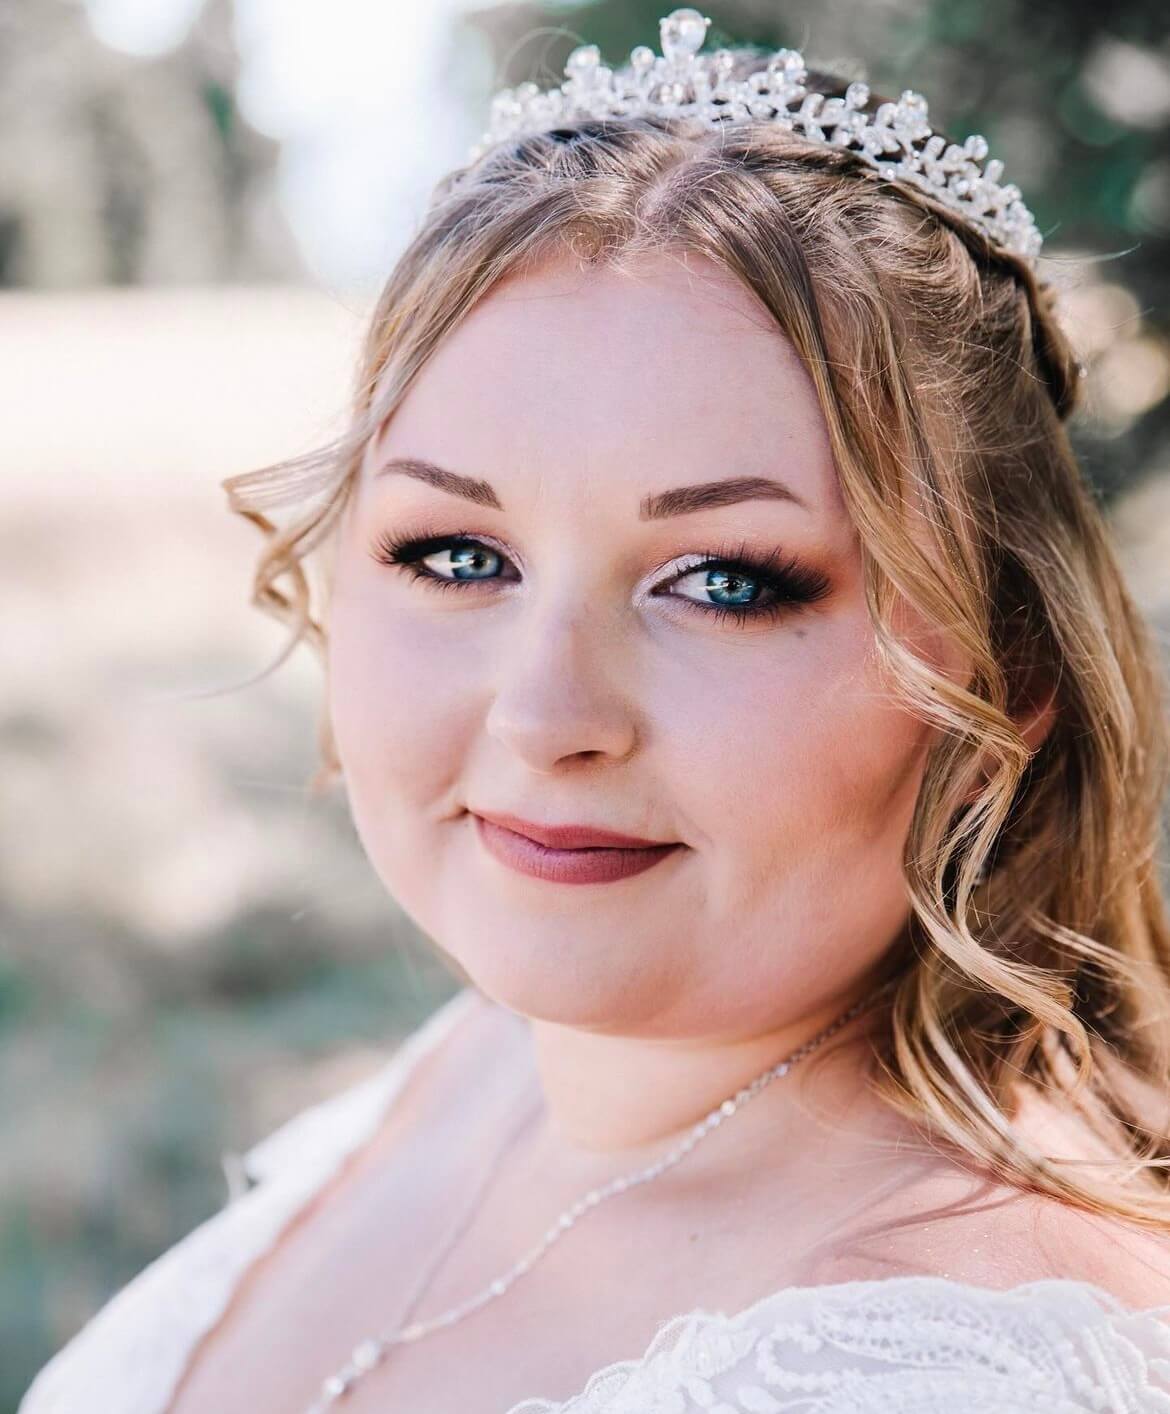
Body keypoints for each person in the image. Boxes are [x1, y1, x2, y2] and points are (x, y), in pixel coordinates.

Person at [20, 10, 1170, 1413]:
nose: (545, 713)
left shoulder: (948, 1372)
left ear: (1008, 681)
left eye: (723, 582)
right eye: (456, 555)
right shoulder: (487, 1063)